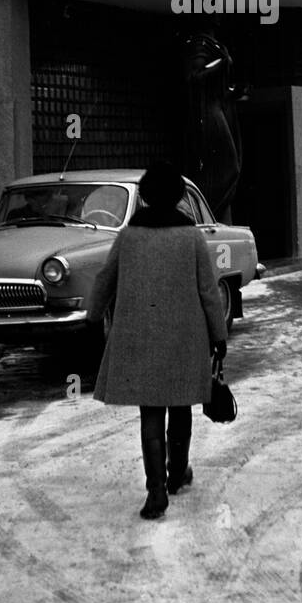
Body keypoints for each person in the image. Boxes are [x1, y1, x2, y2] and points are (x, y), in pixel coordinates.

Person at [87, 161, 229, 520]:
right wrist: (219, 334)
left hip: (139, 337)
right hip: (185, 337)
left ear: (146, 196)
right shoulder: (191, 236)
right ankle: (177, 472)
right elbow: (209, 291)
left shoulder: (129, 235)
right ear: (179, 196)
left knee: (150, 411)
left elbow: (106, 278)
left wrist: (93, 316)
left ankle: (156, 492)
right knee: (180, 405)